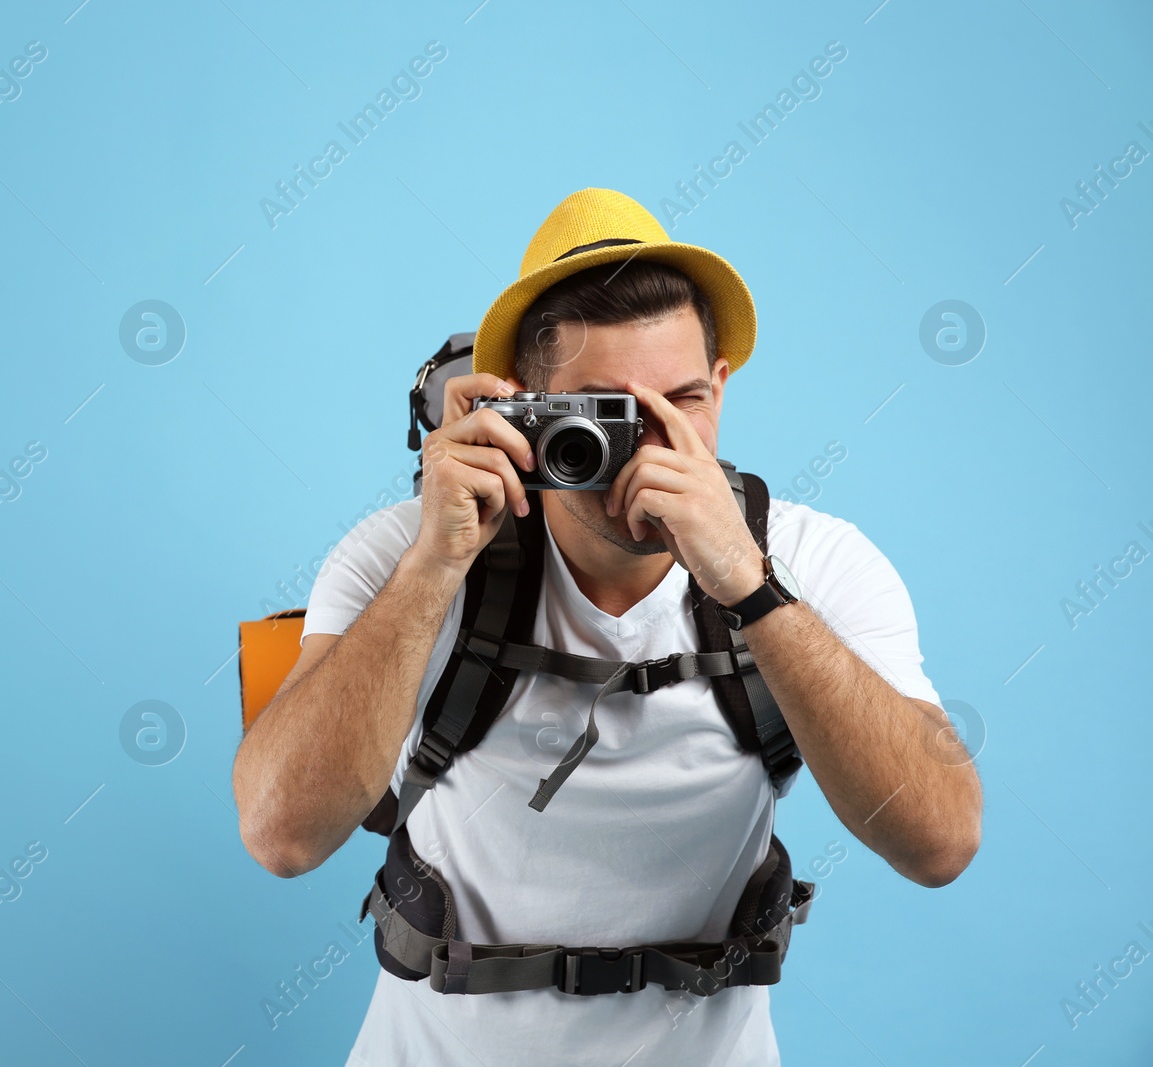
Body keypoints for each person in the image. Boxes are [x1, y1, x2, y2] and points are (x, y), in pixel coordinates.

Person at [232, 187, 983, 1066]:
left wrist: (748, 584)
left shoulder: (815, 558)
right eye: (602, 413)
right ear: (519, 403)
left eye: (683, 400)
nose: (650, 446)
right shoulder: (406, 551)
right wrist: (434, 565)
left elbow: (941, 841)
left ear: (724, 387)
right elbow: (281, 832)